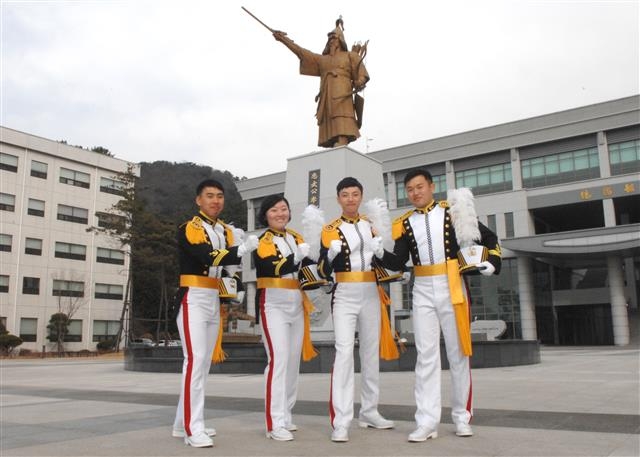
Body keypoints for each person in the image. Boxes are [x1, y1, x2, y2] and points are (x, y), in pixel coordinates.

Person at [384, 169, 501, 442]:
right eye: (410, 189)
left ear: (432, 186)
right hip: (422, 288)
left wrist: (492, 262)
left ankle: (462, 416)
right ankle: (426, 422)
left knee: (459, 352)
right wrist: (378, 251)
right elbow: (397, 263)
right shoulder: (403, 222)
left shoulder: (453, 210)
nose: (415, 193)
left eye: (419, 186)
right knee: (426, 357)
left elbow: (490, 239)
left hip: (452, 285)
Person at [172, 179, 258, 448]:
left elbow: (225, 271)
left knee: (203, 365)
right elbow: (206, 257)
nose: (215, 200)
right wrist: (239, 250)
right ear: (198, 200)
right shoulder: (189, 228)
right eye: (209, 196)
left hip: (211, 298)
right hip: (192, 298)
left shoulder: (224, 230)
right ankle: (192, 427)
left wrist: (237, 287)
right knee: (195, 362)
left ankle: (182, 422)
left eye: (220, 196)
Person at [318, 177, 396, 443]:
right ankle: (341, 420)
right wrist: (329, 257)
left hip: (370, 293)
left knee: (370, 352)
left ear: (361, 197)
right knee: (343, 353)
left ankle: (370, 411)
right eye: (345, 194)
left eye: (355, 194)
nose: (350, 199)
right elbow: (321, 270)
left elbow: (380, 262)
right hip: (344, 293)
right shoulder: (329, 229)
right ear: (338, 199)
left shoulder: (370, 226)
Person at [253, 195, 319, 441]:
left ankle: (286, 415)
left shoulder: (296, 238)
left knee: (293, 363)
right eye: (274, 210)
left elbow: (308, 272)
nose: (280, 213)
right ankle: (274, 422)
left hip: (296, 304)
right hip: (273, 304)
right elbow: (272, 267)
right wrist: (296, 258)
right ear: (266, 215)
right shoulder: (263, 240)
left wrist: (325, 266)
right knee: (278, 361)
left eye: (284, 209)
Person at [273, 18, 369, 148]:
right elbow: (302, 53)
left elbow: (362, 74)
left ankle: (342, 138)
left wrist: (359, 81)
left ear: (340, 41)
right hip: (327, 92)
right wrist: (284, 40)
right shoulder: (322, 60)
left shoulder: (350, 56)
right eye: (329, 40)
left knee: (341, 113)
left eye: (334, 39)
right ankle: (332, 138)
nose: (331, 42)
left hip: (342, 91)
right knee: (329, 115)